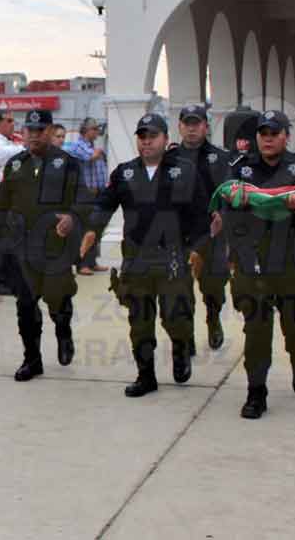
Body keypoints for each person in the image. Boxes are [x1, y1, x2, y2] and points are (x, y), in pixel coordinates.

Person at [82, 114, 208, 396]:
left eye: (152, 136)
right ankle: (145, 375)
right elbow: (106, 202)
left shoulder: (184, 170)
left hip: (173, 257)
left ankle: (180, 350)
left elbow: (201, 215)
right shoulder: (125, 172)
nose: (147, 141)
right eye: (142, 136)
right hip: (137, 259)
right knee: (139, 321)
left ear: (165, 139)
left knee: (176, 317)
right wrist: (92, 229)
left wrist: (199, 249)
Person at [220, 110, 295, 419]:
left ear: (285, 136)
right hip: (255, 259)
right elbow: (229, 205)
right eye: (263, 132)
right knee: (257, 328)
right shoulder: (240, 167)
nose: (267, 138)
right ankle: (256, 391)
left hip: (294, 259)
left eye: (274, 132)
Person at [0, 110, 88, 381]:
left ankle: (63, 331)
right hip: (22, 247)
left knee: (58, 299)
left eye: (39, 130)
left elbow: (82, 199)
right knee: (26, 304)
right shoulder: (15, 164)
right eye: (29, 129)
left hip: (56, 247)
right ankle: (32, 359)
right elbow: (2, 201)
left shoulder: (67, 163)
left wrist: (72, 218)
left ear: (49, 131)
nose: (33, 134)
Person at [175, 104, 231, 352]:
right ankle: (185, 333)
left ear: (205, 127)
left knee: (214, 284)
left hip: (212, 232)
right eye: (187, 123)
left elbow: (230, 194)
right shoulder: (170, 159)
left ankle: (213, 317)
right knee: (180, 286)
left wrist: (223, 217)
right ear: (179, 127)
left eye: (196, 123)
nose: (191, 128)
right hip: (180, 233)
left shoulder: (220, 158)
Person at [66, 118, 110, 276]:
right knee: (83, 229)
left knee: (94, 228)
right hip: (83, 194)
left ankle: (92, 261)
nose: (97, 132)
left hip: (98, 193)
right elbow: (90, 157)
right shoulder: (78, 146)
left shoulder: (92, 147)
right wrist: (98, 153)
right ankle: (82, 263)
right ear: (86, 130)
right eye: (94, 129)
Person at [0, 113, 26, 297]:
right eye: (9, 121)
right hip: (0, 200)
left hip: (14, 199)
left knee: (13, 242)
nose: (13, 124)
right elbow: (5, 155)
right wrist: (24, 145)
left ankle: (10, 280)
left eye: (13, 120)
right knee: (2, 243)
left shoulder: (11, 142)